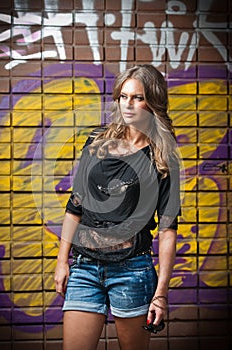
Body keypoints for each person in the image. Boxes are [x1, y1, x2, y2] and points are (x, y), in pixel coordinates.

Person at [54, 64, 181, 350]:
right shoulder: (96, 141)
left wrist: (161, 293)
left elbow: (168, 229)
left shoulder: (163, 158)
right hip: (84, 267)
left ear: (154, 101)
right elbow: (76, 205)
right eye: (124, 97)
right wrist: (62, 262)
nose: (128, 104)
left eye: (137, 97)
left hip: (132, 270)